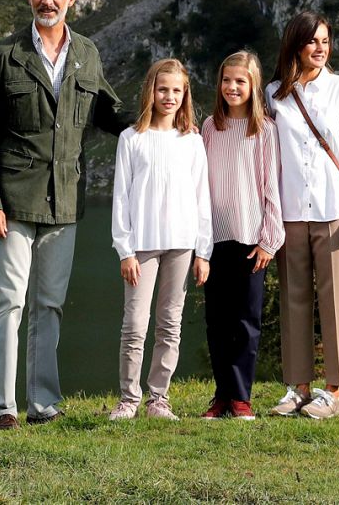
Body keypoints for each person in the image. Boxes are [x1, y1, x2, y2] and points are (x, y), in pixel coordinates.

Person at [0, 0, 127, 430]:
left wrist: (160, 123)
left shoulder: (87, 54)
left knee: (50, 304)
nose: (48, 1)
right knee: (8, 301)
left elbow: (108, 112)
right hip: (13, 199)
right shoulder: (3, 56)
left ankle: (43, 405)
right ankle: (2, 407)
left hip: (65, 200)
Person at [264, 11, 339, 420]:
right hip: (290, 210)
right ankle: (298, 388)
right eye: (312, 41)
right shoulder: (274, 93)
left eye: (325, 41)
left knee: (336, 301)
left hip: (334, 209)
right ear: (296, 45)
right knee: (294, 299)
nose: (320, 48)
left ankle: (333, 392)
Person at [108, 58, 212, 421]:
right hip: (142, 245)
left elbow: (203, 200)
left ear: (185, 96)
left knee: (170, 323)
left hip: (182, 244)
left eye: (177, 91)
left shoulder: (192, 142)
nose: (169, 96)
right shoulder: (131, 139)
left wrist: (204, 251)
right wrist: (125, 249)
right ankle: (128, 398)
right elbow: (121, 197)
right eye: (162, 89)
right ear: (150, 91)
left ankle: (159, 399)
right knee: (135, 323)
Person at [198, 50, 284, 421]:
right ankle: (221, 396)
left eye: (240, 81)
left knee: (246, 321)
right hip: (215, 238)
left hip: (252, 238)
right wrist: (198, 241)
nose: (232, 87)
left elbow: (272, 188)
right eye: (227, 80)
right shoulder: (208, 128)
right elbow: (199, 186)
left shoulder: (264, 130)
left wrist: (269, 238)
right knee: (217, 320)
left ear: (254, 86)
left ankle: (242, 397)